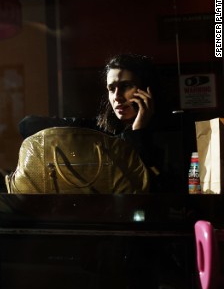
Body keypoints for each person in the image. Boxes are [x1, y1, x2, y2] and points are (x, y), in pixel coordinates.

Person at [19, 53, 169, 191]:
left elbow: (151, 182)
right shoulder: (99, 127)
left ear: (147, 90)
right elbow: (28, 125)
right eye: (111, 89)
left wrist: (138, 131)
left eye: (126, 86)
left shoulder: (168, 133)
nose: (117, 97)